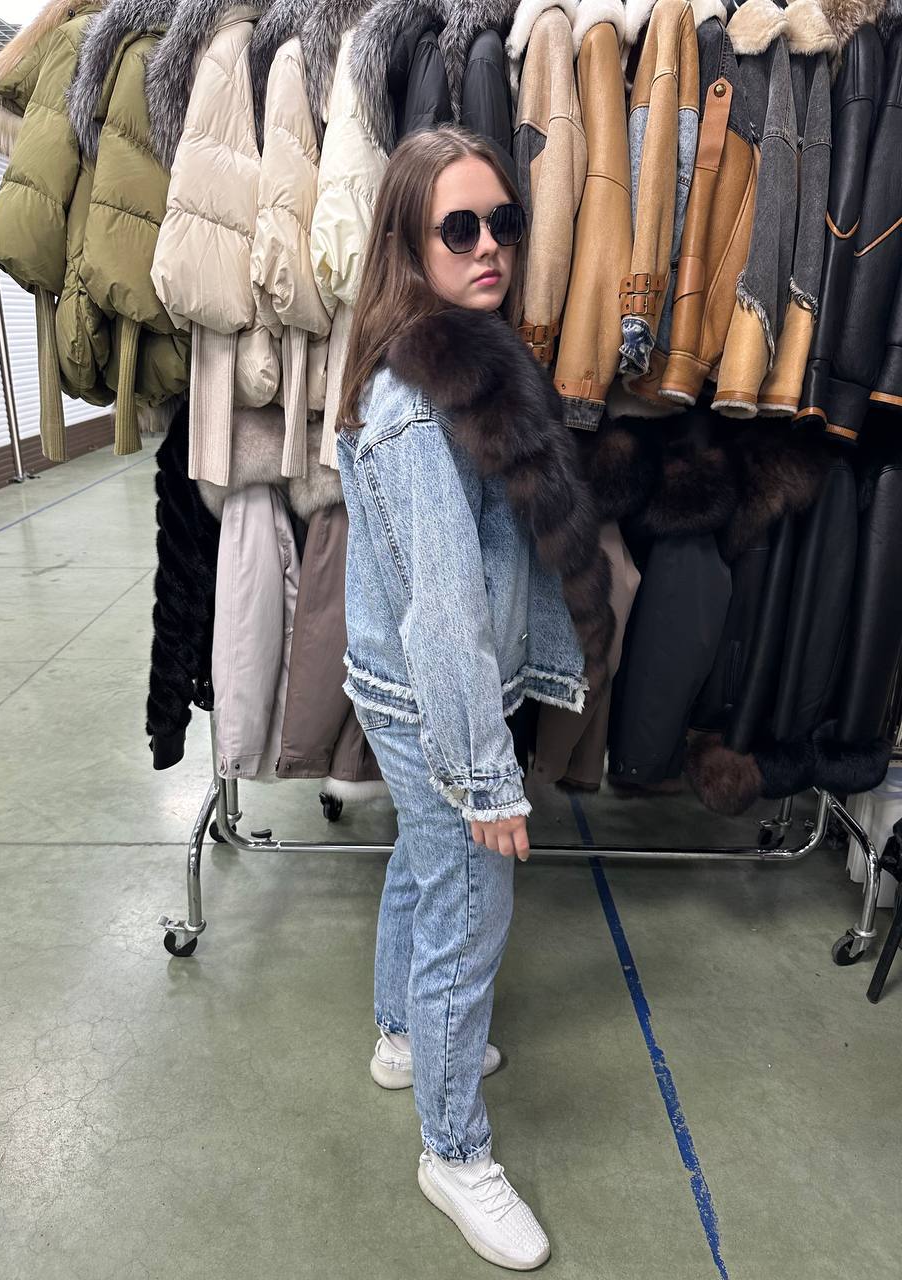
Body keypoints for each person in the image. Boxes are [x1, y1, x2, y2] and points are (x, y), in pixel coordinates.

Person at [335, 125, 603, 1271]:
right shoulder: (415, 405)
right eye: (460, 228)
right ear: (410, 244)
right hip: (431, 700)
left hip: (409, 689)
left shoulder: (457, 360)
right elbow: (443, 611)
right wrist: (488, 779)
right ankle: (453, 1149)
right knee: (468, 915)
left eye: (504, 221)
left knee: (423, 866)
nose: (489, 244)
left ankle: (405, 1035)